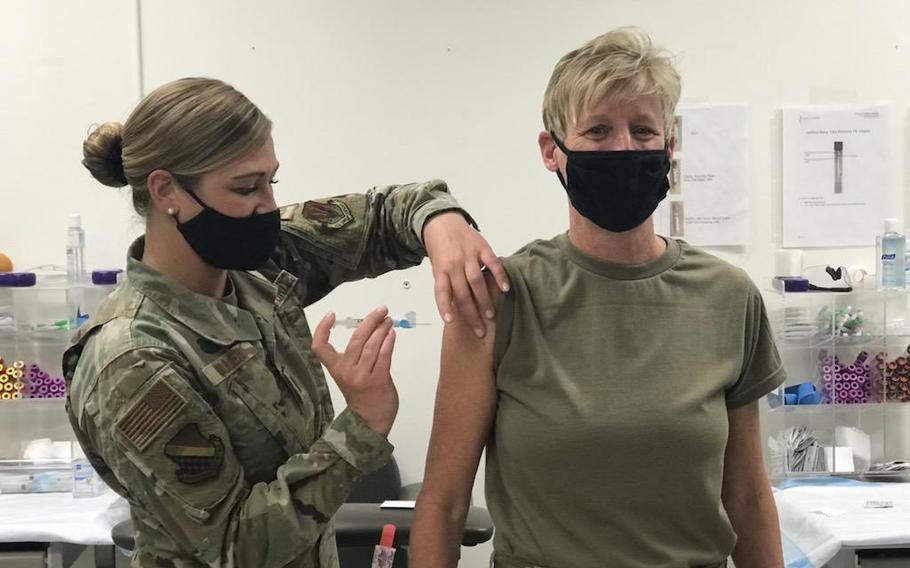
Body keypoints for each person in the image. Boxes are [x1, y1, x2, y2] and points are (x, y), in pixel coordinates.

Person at [64, 77, 509, 567]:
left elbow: (384, 215)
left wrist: (441, 223)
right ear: (166, 189)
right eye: (245, 187)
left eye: (269, 181)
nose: (268, 207)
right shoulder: (133, 360)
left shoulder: (254, 268)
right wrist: (361, 425)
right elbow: (236, 548)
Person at [411, 28, 785, 568]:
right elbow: (444, 503)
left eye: (642, 130)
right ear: (551, 151)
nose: (623, 149)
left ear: (669, 146)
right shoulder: (499, 297)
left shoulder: (728, 298)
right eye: (598, 131)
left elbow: (748, 497)